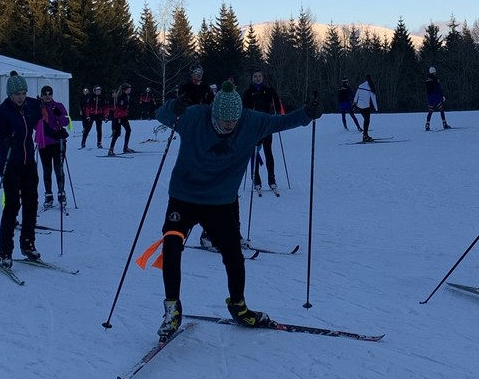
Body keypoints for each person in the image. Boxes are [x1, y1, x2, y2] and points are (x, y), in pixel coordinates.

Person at [153, 81, 320, 341]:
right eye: (225, 120)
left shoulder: (250, 122)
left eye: (234, 120)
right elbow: (162, 115)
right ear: (214, 113)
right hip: (184, 197)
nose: (230, 125)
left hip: (220, 202)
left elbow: (282, 122)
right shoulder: (195, 116)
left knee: (233, 254)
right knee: (172, 245)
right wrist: (174, 106)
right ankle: (172, 309)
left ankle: (239, 306)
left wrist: (307, 113)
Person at [0, 74, 43, 267]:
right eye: (16, 94)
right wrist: (5, 141)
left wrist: (56, 131)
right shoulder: (2, 112)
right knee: (12, 205)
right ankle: (4, 251)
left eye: (23, 93)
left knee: (31, 203)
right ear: (9, 94)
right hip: (11, 163)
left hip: (29, 162)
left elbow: (41, 122)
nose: (20, 97)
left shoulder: (32, 105)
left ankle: (28, 243)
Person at [242, 69, 283, 193]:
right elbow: (244, 109)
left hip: (267, 125)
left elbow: (277, 104)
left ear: (263, 77)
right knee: (255, 152)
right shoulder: (248, 92)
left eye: (260, 76)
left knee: (268, 151)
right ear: (252, 78)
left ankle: (272, 179)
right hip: (254, 126)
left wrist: (277, 115)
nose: (258, 78)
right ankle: (256, 179)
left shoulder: (269, 90)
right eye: (255, 76)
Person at [35, 84, 70, 206]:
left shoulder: (58, 106)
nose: (47, 96)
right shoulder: (38, 107)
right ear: (41, 95)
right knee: (46, 169)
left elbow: (65, 122)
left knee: (58, 169)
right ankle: (48, 195)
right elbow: (34, 125)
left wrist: (59, 114)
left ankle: (61, 194)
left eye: (50, 93)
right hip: (44, 143)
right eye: (45, 94)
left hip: (58, 142)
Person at [108, 83, 134, 155]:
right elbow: (119, 108)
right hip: (118, 117)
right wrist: (119, 116)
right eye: (129, 88)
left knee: (128, 130)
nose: (130, 90)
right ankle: (111, 149)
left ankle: (125, 147)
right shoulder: (122, 97)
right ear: (125, 90)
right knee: (117, 133)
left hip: (123, 116)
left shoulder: (126, 96)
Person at [353, 75, 379, 142]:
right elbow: (373, 99)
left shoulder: (360, 86)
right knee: (367, 121)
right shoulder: (370, 87)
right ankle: (365, 135)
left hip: (359, 106)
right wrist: (376, 108)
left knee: (366, 120)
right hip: (366, 106)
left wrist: (354, 104)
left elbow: (356, 96)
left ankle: (365, 135)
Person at [424, 66, 449, 131]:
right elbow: (438, 88)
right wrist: (442, 95)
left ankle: (427, 125)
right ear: (434, 72)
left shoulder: (427, 79)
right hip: (435, 96)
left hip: (429, 97)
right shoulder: (435, 79)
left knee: (430, 111)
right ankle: (444, 124)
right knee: (441, 109)